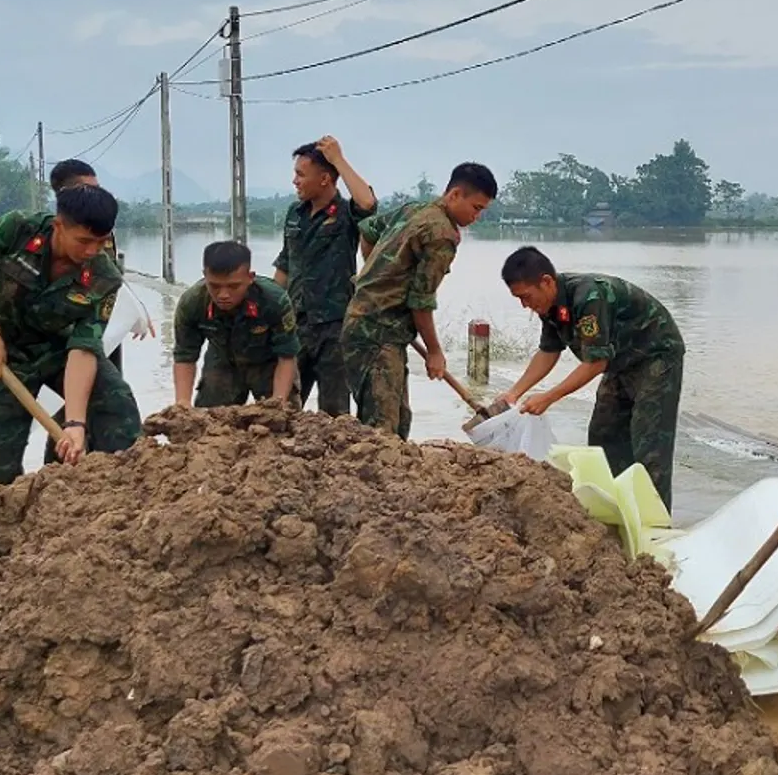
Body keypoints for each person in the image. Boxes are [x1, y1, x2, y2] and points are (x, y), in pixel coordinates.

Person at [0, 184, 142, 486]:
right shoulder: (19, 229)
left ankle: (118, 493)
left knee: (117, 403)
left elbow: (83, 350)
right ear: (59, 226)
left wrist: (75, 423)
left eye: (101, 241)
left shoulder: (104, 277)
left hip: (60, 352)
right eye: (84, 241)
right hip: (1, 353)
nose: (92, 251)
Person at [496, 246, 685, 511]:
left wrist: (549, 397)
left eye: (526, 297)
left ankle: (655, 521)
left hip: (656, 356)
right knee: (603, 434)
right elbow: (549, 352)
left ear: (546, 282)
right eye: (519, 299)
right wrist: (514, 392)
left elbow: (595, 363)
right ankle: (618, 506)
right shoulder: (549, 306)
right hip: (620, 362)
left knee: (649, 444)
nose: (525, 305)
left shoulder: (589, 296)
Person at [342, 163, 498, 438]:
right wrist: (435, 352)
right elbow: (421, 302)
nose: (477, 217)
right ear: (455, 194)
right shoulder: (442, 235)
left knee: (399, 420)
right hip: (376, 334)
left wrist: (376, 275)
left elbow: (368, 231)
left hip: (373, 330)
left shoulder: (413, 209)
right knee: (381, 427)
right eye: (476, 208)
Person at [273, 136, 377, 415]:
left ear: (324, 179)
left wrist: (338, 160)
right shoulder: (294, 214)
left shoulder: (346, 214)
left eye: (300, 174)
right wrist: (270, 309)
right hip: (295, 324)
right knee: (285, 407)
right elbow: (285, 264)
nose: (294, 181)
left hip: (335, 327)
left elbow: (367, 202)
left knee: (334, 411)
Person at [46, 158, 156, 367]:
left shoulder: (102, 227)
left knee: (108, 375)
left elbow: (112, 275)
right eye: (88, 189)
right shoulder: (52, 234)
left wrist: (135, 308)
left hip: (104, 319)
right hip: (67, 322)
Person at [173, 241, 301, 407]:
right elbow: (184, 356)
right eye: (215, 286)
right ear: (205, 276)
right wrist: (182, 403)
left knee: (283, 418)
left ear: (250, 278)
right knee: (206, 420)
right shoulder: (192, 302)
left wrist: (279, 402)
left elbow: (287, 356)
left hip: (269, 362)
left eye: (233, 286)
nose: (223, 295)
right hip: (223, 359)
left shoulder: (274, 300)